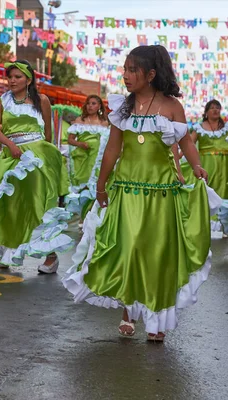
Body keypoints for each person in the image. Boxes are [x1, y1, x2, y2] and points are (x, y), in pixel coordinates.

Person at [63, 45, 218, 342]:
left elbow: (185, 142)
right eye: (124, 69)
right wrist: (101, 185)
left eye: (132, 70)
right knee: (128, 247)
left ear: (150, 74)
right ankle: (127, 310)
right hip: (127, 190)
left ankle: (158, 317)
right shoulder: (123, 107)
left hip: (162, 192)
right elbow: (112, 149)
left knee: (156, 252)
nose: (125, 75)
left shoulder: (172, 106)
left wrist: (196, 165)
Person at [0, 60, 72, 272]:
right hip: (10, 156)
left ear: (29, 80)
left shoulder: (42, 100)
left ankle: (50, 255)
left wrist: (42, 155)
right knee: (5, 203)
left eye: (17, 77)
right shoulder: (2, 101)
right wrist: (10, 144)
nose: (12, 80)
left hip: (36, 158)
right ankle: (9, 249)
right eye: (10, 77)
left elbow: (47, 134)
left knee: (38, 204)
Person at [180, 100, 228, 237]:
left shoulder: (225, 127)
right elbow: (188, 144)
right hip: (207, 164)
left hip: (224, 165)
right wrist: (176, 157)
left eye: (217, 107)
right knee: (209, 190)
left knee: (224, 190)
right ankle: (212, 226)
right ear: (206, 112)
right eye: (212, 108)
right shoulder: (199, 128)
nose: (215, 110)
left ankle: (224, 224)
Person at [65, 95, 110, 221]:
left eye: (94, 103)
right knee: (83, 186)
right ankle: (81, 215)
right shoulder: (80, 120)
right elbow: (70, 140)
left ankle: (92, 215)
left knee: (96, 185)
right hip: (82, 158)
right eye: (88, 103)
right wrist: (80, 144)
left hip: (98, 159)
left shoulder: (104, 123)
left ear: (99, 106)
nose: (90, 106)